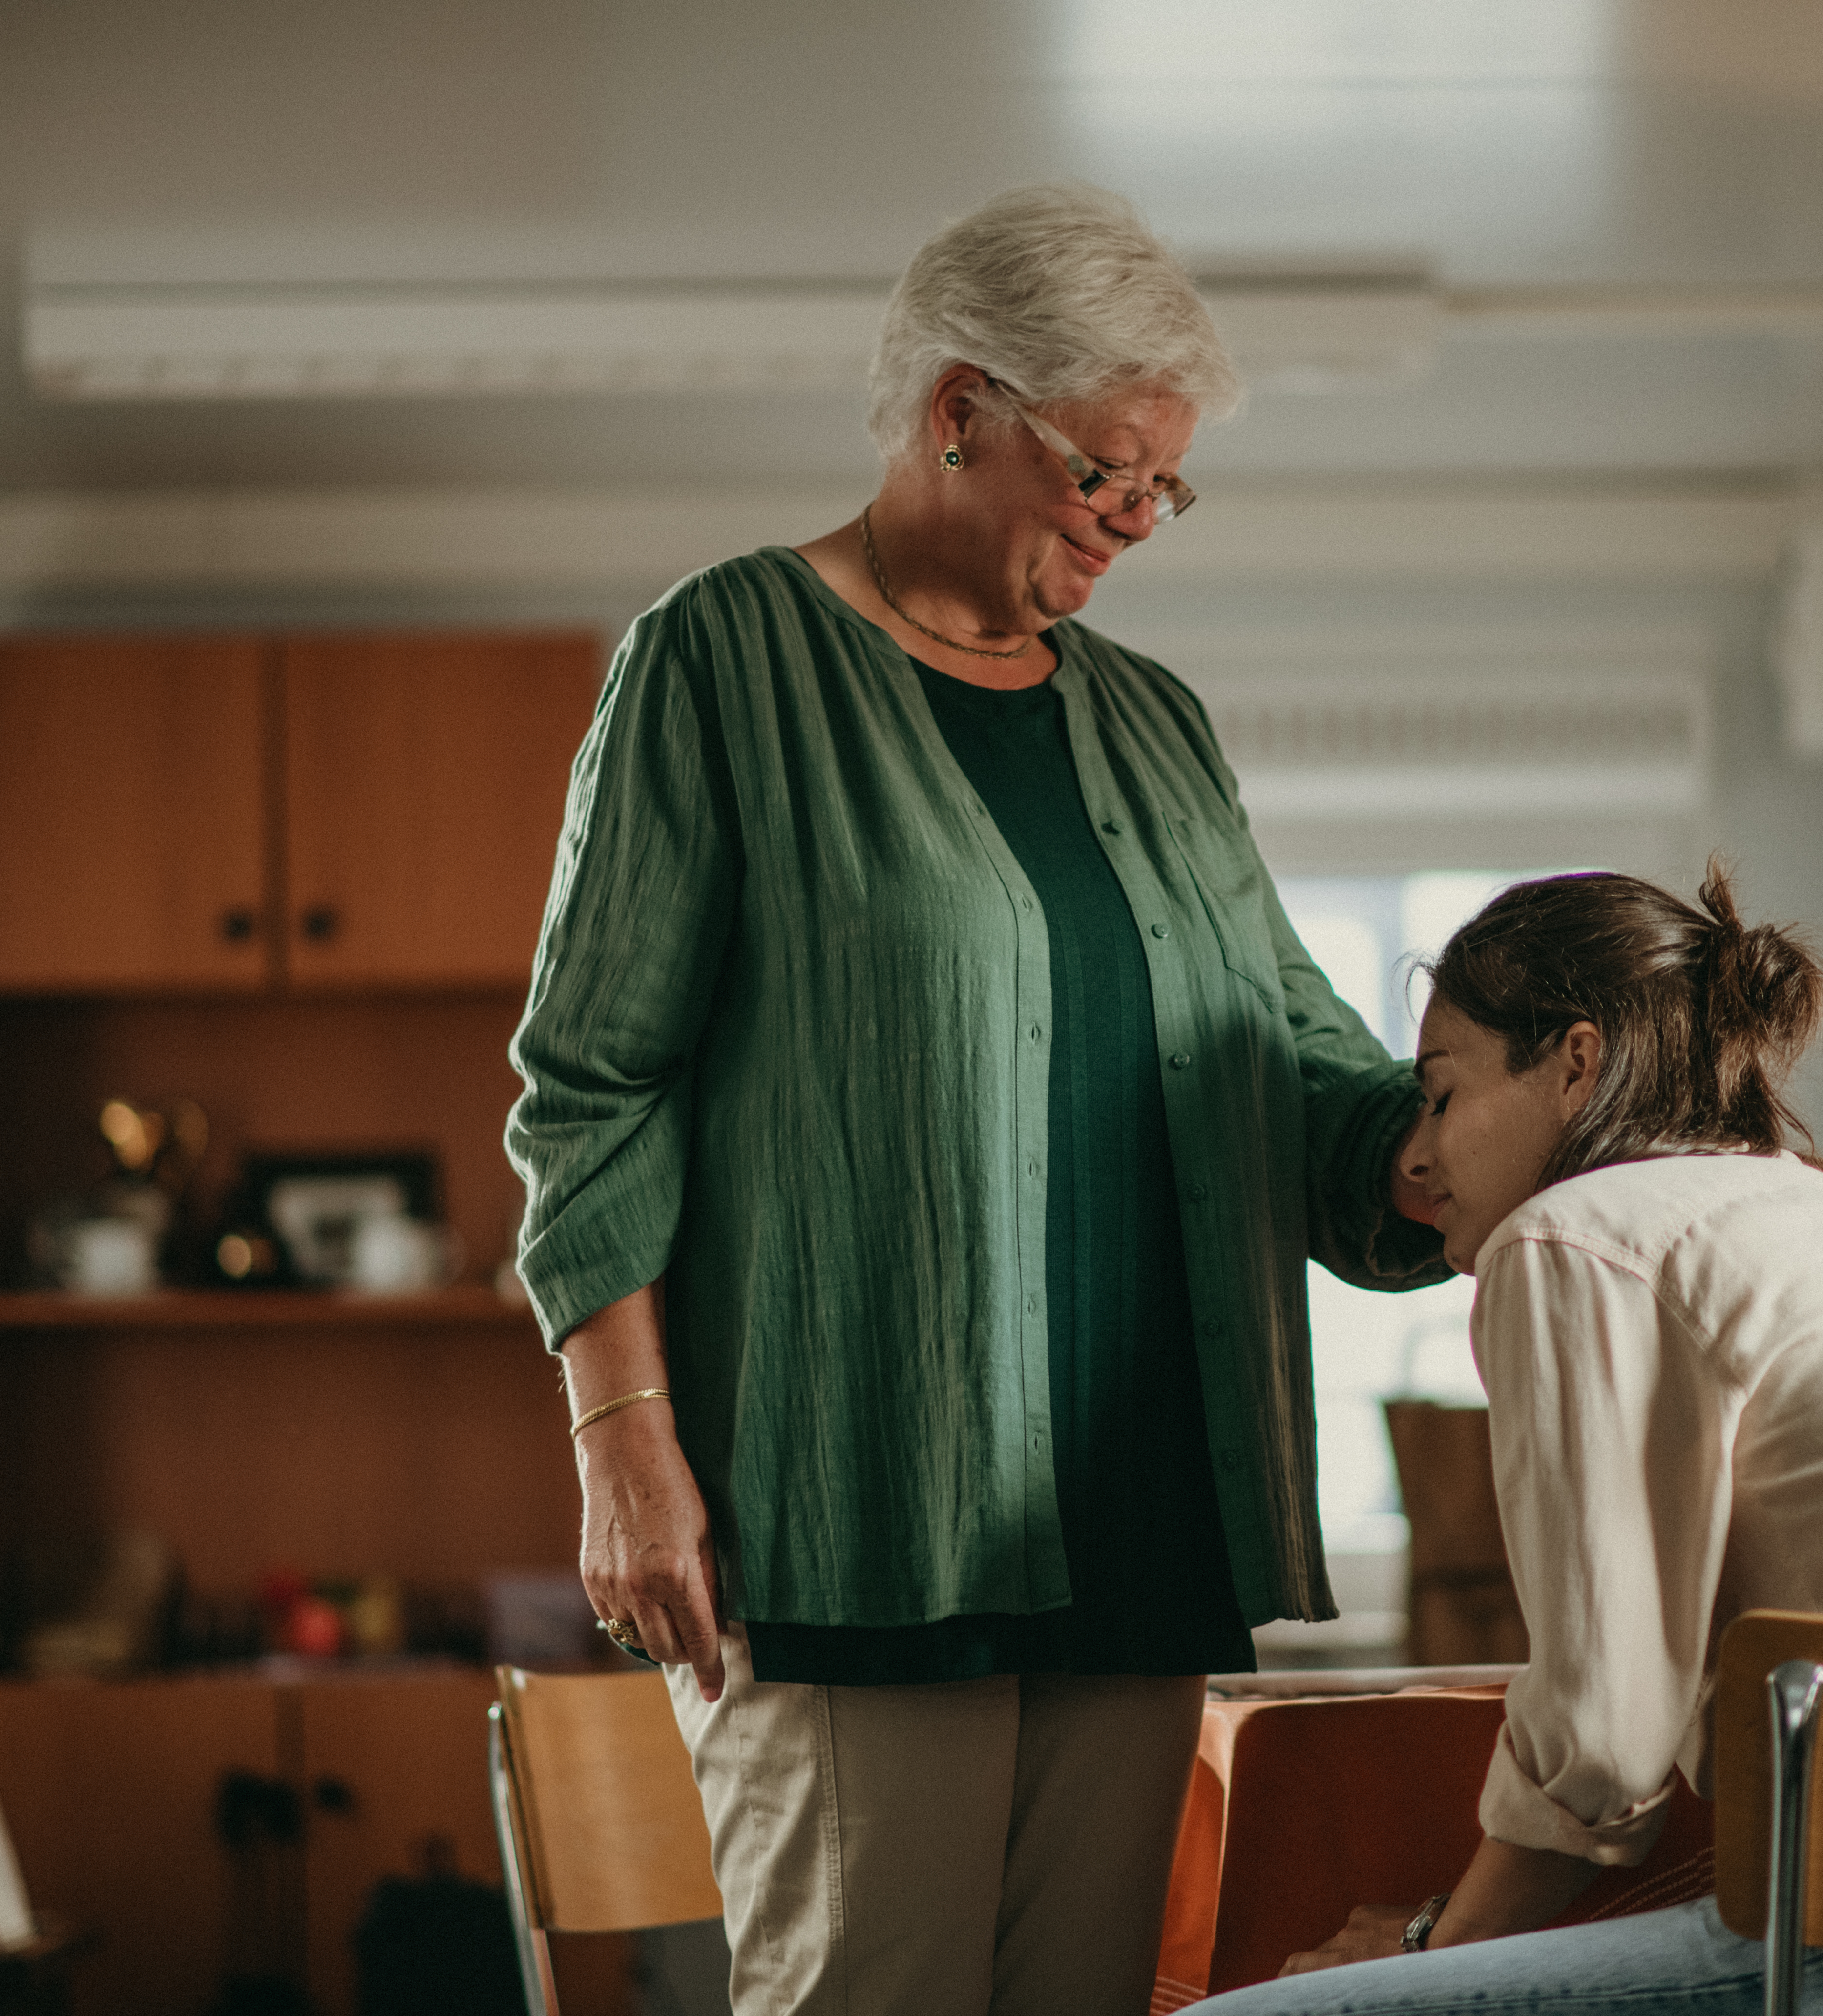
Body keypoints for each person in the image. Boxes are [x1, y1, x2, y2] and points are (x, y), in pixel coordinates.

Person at [504, 182, 1448, 2016]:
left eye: (1163, 488)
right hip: (860, 1509)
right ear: (958, 410)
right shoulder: (724, 662)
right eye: (1105, 472)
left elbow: (1291, 1043)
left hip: (1144, 1509)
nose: (1133, 524)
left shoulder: (1155, 725)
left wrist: (1488, 1143)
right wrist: (623, 1443)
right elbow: (590, 1080)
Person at [1202, 865, 1823, 2016]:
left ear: (1577, 1063)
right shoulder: (1821, 1203)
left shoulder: (1570, 1238)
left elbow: (1602, 1743)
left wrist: (1428, 1947)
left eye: (1442, 1096)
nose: (1423, 1156)